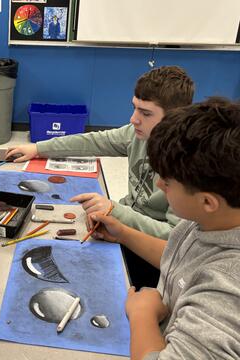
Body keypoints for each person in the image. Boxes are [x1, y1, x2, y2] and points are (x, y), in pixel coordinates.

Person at [6, 66, 194, 288]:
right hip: (121, 226)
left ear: (174, 118)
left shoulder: (187, 165)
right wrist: (39, 148)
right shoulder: (136, 135)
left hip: (150, 253)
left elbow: (174, 238)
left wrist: (115, 211)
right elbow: (93, 141)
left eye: (145, 113)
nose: (133, 119)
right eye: (134, 108)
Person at [90, 97, 240, 359]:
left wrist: (142, 315)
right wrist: (123, 234)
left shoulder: (225, 290)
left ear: (207, 201)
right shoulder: (209, 220)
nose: (159, 187)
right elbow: (182, 260)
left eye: (167, 182)